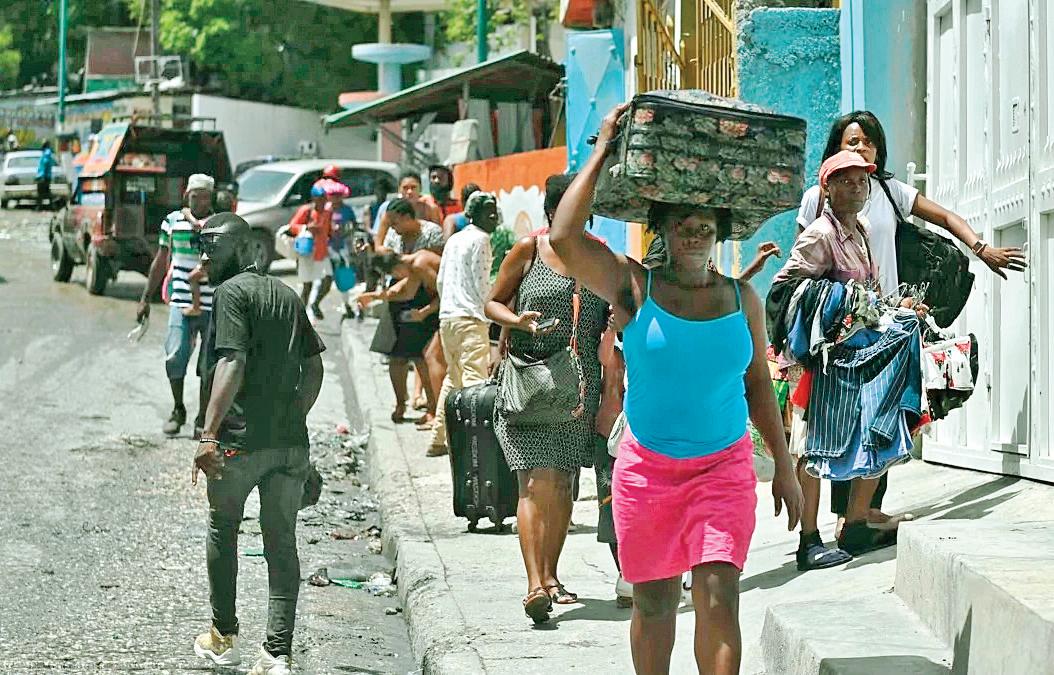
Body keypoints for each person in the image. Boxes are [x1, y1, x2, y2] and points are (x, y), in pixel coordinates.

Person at [548, 104, 803, 673]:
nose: (694, 229)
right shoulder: (633, 287)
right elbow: (564, 237)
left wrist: (784, 466)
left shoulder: (742, 299)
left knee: (719, 597)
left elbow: (759, 386)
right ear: (662, 227)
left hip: (723, 469)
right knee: (656, 604)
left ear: (719, 230)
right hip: (648, 473)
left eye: (705, 221)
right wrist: (603, 149)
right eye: (682, 220)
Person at [799, 111, 1027, 536]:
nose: (861, 148)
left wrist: (981, 248)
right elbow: (804, 259)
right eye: (852, 141)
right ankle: (845, 517)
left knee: (884, 413)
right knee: (842, 418)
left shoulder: (889, 190)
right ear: (835, 150)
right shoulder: (818, 197)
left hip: (889, 319)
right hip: (840, 325)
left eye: (868, 141)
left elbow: (945, 217)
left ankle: (865, 512)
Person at [191, 213, 325, 675]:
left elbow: (232, 362)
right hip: (288, 446)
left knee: (222, 529)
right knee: (281, 541)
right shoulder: (286, 294)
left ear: (240, 251)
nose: (205, 261)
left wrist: (209, 434)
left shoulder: (229, 294)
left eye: (212, 252)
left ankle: (223, 638)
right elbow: (314, 368)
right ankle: (276, 654)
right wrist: (294, 418)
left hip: (238, 443)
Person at [774, 149, 911, 571]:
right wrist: (840, 298)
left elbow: (868, 293)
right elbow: (786, 289)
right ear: (827, 189)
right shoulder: (820, 233)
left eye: (861, 181)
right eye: (846, 181)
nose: (856, 188)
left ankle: (854, 525)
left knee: (871, 430)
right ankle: (809, 540)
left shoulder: (862, 230)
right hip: (818, 362)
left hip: (854, 359)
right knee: (812, 445)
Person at [485, 173, 610, 624]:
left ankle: (552, 577)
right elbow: (492, 303)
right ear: (554, 211)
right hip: (530, 384)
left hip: (579, 388)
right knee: (535, 483)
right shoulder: (529, 250)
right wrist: (517, 322)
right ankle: (534, 584)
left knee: (561, 484)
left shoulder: (600, 258)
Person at [137, 174, 216, 438]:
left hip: (212, 304)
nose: (200, 201)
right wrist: (145, 297)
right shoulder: (171, 222)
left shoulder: (219, 224)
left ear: (211, 198)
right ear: (186, 196)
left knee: (209, 364)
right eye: (195, 196)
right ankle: (178, 409)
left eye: (205, 197)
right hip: (180, 301)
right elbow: (161, 260)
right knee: (175, 356)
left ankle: (203, 419)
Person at [427, 191, 498, 457]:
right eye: (488, 212)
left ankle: (438, 439)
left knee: (453, 379)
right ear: (473, 215)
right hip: (470, 319)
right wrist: (493, 310)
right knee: (474, 384)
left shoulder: (454, 240)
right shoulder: (481, 239)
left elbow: (441, 281)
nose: (494, 217)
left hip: (448, 319)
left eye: (495, 211)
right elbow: (481, 284)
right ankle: (473, 448)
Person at [372, 198, 444, 422]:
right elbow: (390, 262)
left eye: (394, 222)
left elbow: (438, 283)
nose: (392, 227)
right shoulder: (393, 237)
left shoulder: (431, 234)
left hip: (425, 296)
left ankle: (433, 407)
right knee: (396, 356)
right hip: (403, 294)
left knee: (423, 357)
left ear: (407, 217)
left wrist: (426, 311)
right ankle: (400, 404)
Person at [357, 250, 444, 429]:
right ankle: (428, 409)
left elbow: (444, 291)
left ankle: (435, 411)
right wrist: (374, 297)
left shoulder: (419, 265)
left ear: (396, 269)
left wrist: (425, 312)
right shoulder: (413, 267)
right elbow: (406, 294)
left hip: (442, 311)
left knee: (427, 360)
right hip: (426, 311)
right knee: (406, 359)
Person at [286, 182, 332, 317]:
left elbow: (329, 230)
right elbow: (292, 227)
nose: (323, 202)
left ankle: (316, 303)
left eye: (324, 199)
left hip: (322, 252)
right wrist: (306, 228)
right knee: (307, 286)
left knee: (328, 280)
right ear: (314, 199)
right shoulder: (306, 211)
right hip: (307, 252)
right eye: (320, 199)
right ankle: (299, 315)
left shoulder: (327, 213)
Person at [373, 172, 442, 249]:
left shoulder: (429, 209)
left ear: (420, 188)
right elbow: (378, 245)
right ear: (399, 189)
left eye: (413, 187)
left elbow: (437, 237)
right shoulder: (390, 210)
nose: (409, 192)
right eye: (405, 188)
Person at [35, 140, 58, 210]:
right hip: (46, 175)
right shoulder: (47, 153)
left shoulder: (46, 153)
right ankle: (50, 205)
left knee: (41, 192)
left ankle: (41, 206)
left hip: (43, 176)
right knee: (46, 191)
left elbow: (45, 164)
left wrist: (42, 176)